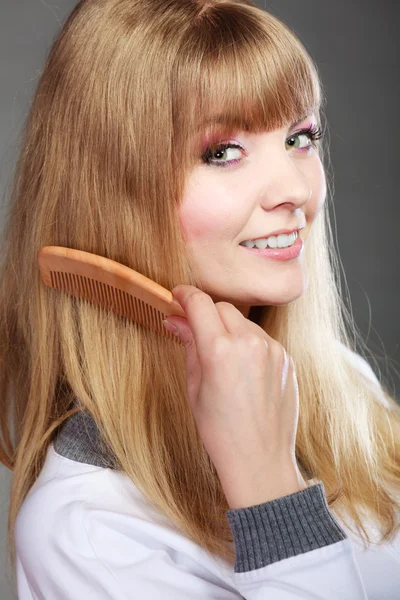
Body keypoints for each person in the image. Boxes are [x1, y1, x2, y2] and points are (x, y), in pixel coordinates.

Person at [0, 0, 399, 598]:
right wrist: (270, 494)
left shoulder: (346, 385)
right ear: (114, 194)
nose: (296, 189)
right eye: (222, 152)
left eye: (300, 137)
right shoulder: (86, 531)